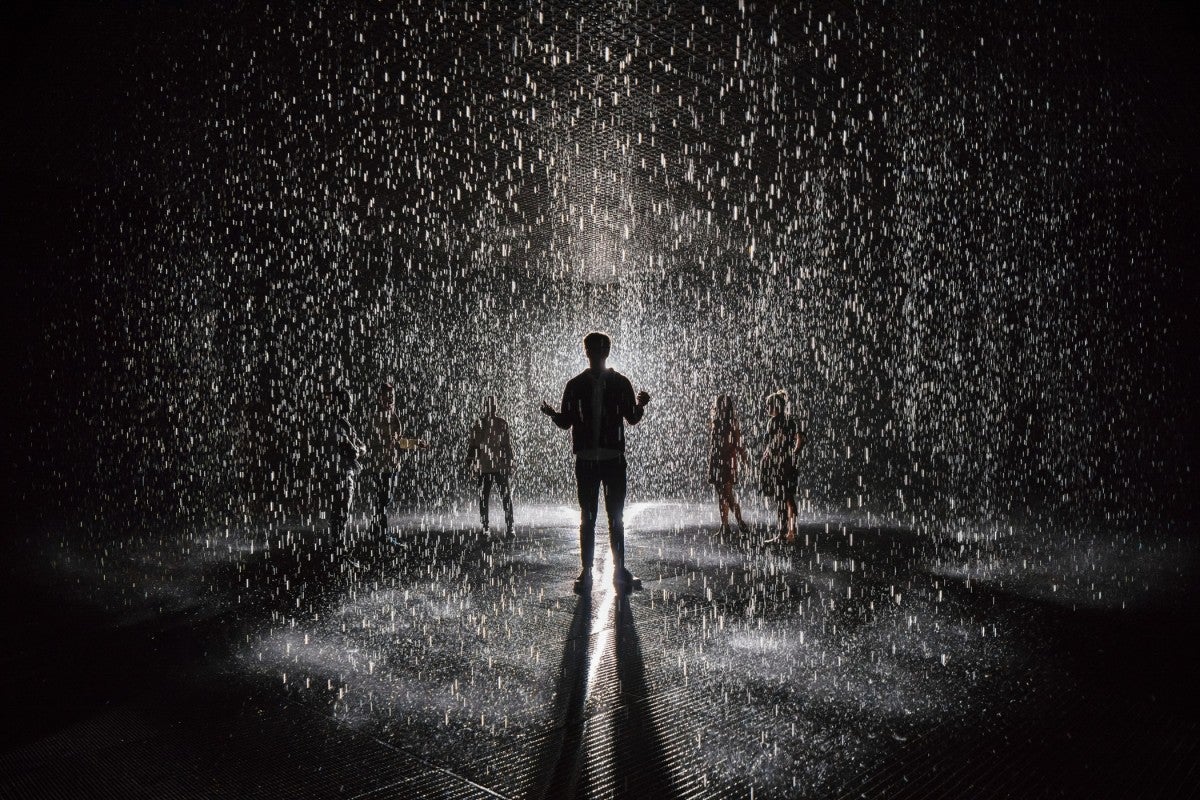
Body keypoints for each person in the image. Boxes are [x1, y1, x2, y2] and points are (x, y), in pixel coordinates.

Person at [541, 331, 650, 594]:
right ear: (604, 352)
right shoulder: (618, 382)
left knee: (591, 517)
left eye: (594, 350)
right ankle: (614, 570)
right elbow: (632, 419)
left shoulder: (576, 384)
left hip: (592, 458)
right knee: (613, 518)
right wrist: (641, 404)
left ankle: (589, 572)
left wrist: (553, 414)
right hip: (609, 458)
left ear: (587, 352)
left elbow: (566, 422)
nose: (595, 354)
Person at [363, 380, 429, 538]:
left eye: (392, 395)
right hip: (381, 466)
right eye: (387, 395)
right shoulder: (377, 416)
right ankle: (382, 534)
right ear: (380, 397)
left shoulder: (393, 416)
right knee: (383, 500)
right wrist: (384, 445)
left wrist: (415, 443)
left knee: (384, 501)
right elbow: (376, 441)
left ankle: (375, 529)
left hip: (392, 465)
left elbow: (397, 442)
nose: (390, 398)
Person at [465, 395, 515, 537]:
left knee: (502, 496)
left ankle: (509, 525)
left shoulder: (500, 424)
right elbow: (473, 446)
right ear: (485, 407)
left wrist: (510, 462)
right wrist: (470, 462)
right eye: (490, 406)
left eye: (493, 406)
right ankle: (488, 525)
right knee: (487, 497)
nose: (492, 408)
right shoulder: (480, 424)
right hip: (486, 466)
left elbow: (506, 446)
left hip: (497, 466)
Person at [760, 389, 805, 543]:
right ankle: (790, 532)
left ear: (776, 407)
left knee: (782, 498)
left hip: (780, 464)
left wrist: (778, 454)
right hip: (787, 463)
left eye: (768, 406)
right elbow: (800, 438)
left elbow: (771, 443)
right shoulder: (789, 420)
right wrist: (793, 454)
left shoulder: (774, 422)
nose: (767, 409)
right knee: (788, 497)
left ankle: (783, 532)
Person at [327, 387, 367, 540]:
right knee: (340, 511)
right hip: (341, 474)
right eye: (347, 401)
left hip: (345, 472)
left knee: (342, 511)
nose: (350, 405)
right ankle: (337, 547)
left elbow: (361, 447)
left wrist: (357, 449)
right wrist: (357, 450)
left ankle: (338, 547)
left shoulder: (345, 423)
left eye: (350, 401)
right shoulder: (337, 424)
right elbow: (354, 451)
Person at [708, 394, 750, 536]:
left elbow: (737, 442)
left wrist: (744, 459)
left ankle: (739, 522)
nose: (723, 407)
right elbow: (714, 443)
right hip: (716, 460)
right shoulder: (715, 421)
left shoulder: (732, 422)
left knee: (727, 494)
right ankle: (725, 525)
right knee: (721, 495)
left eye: (725, 404)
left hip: (727, 461)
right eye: (721, 404)